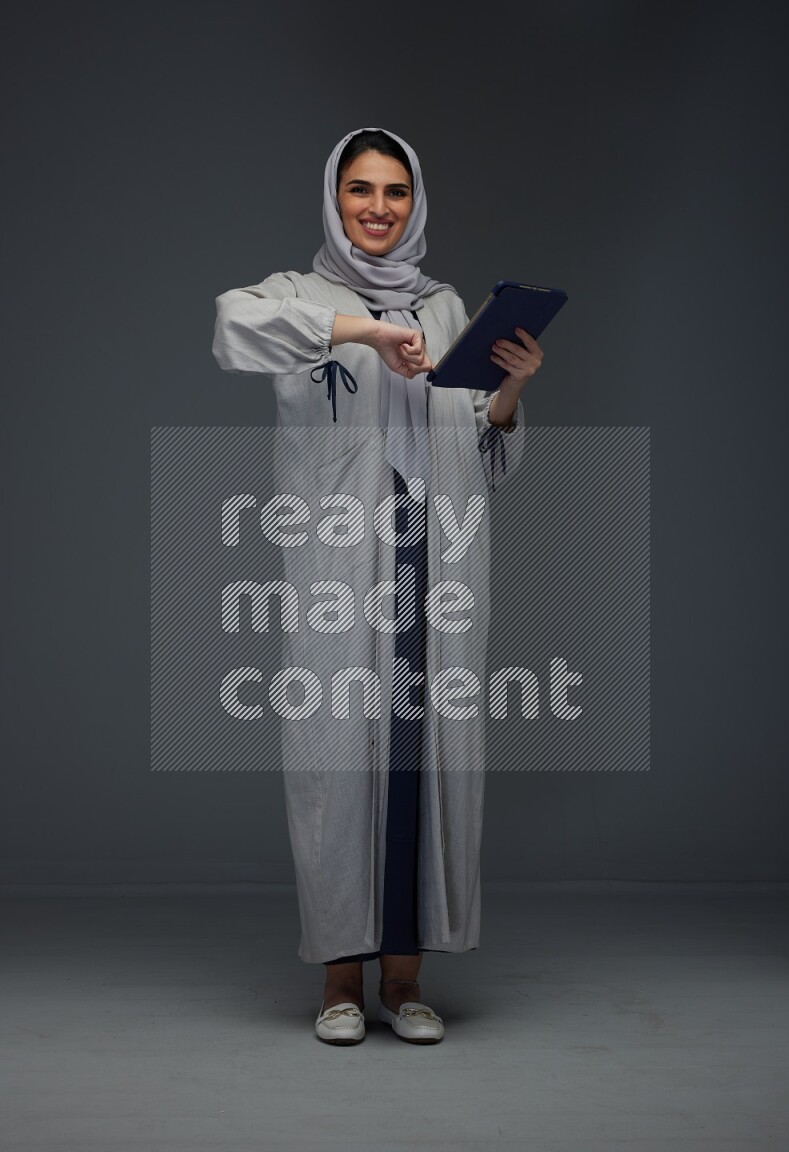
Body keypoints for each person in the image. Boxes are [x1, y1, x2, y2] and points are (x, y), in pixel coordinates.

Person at [212, 127, 544, 1045]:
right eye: (360, 189)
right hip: (338, 565)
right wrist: (360, 328)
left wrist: (510, 389)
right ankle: (339, 984)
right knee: (335, 761)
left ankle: (406, 980)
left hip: (432, 562)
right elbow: (228, 327)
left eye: (395, 192)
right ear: (334, 197)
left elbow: (485, 447)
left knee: (423, 762)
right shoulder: (296, 295)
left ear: (416, 202)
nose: (378, 208)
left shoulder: (445, 309)